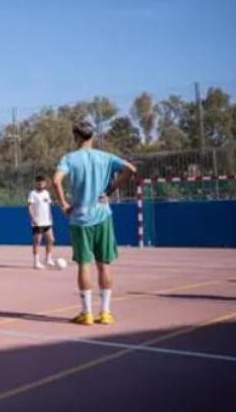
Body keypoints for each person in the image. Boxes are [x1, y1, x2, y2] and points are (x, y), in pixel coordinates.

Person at [52, 121, 136, 326]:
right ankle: (105, 312)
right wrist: (110, 191)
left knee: (84, 265)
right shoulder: (105, 157)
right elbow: (131, 169)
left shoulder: (70, 159)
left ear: (76, 137)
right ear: (92, 137)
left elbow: (56, 180)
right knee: (104, 264)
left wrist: (64, 204)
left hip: (80, 218)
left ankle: (87, 313)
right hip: (102, 216)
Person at [27, 174, 56, 269]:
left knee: (51, 239)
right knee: (37, 241)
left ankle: (48, 259)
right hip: (38, 222)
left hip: (47, 221)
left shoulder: (47, 193)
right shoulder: (33, 194)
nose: (41, 184)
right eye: (39, 183)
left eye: (43, 182)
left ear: (45, 183)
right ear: (36, 183)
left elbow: (49, 205)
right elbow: (30, 207)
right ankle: (36, 262)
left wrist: (51, 217)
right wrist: (33, 218)